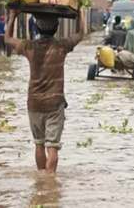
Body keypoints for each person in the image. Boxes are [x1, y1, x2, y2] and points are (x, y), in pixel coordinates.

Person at [5, 13, 84, 174]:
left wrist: (12, 16)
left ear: (37, 28)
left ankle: (42, 181)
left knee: (39, 143)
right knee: (52, 146)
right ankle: (49, 183)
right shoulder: (62, 45)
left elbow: (7, 39)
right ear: (57, 28)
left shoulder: (29, 46)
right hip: (54, 103)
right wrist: (79, 13)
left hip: (34, 102)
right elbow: (80, 34)